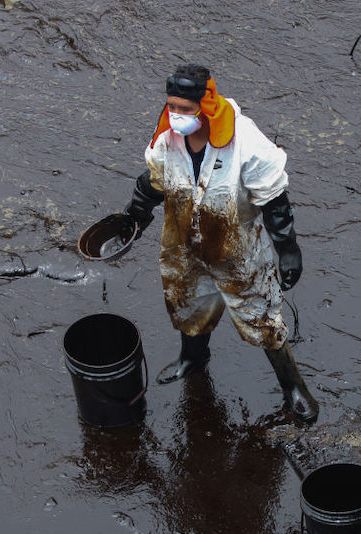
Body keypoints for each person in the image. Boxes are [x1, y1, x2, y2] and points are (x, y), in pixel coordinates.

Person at [121, 63, 318, 423]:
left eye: (185, 108)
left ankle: (292, 386)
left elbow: (274, 199)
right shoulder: (168, 138)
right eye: (172, 107)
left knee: (261, 317)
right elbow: (154, 181)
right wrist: (133, 216)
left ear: (205, 105)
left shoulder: (243, 140)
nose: (176, 115)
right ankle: (193, 358)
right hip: (183, 245)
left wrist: (288, 250)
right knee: (187, 306)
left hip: (236, 250)